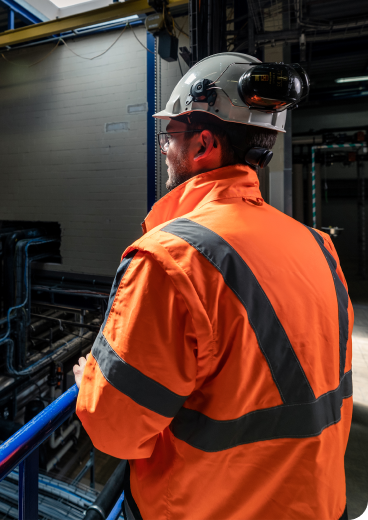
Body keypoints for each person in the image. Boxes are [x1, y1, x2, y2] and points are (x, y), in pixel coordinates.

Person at [73, 52, 353, 520]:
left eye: (170, 135)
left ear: (203, 145)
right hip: (321, 504)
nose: (164, 147)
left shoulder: (170, 259)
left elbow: (116, 430)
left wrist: (91, 387)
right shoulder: (319, 247)